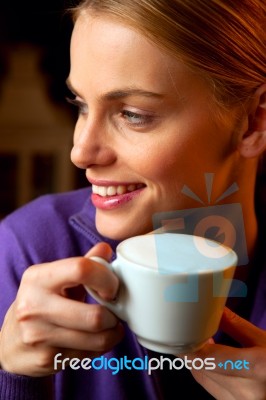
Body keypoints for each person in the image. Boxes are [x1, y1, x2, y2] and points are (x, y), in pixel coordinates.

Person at [0, 0, 265, 398]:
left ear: (253, 121)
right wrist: (16, 377)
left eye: (133, 114)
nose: (81, 152)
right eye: (81, 105)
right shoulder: (28, 252)